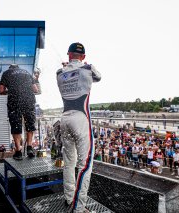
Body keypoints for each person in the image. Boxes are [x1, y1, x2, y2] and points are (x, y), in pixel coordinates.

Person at [56, 42, 101, 213]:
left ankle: (69, 198)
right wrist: (83, 65)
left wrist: (69, 67)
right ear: (83, 57)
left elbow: (68, 73)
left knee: (69, 163)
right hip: (81, 118)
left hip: (65, 119)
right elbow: (98, 77)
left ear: (68, 54)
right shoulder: (87, 69)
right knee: (85, 165)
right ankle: (79, 207)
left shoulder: (59, 73)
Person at [0, 64, 39, 160]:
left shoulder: (6, 73)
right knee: (30, 123)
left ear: (10, 68)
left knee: (15, 125)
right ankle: (29, 147)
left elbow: (1, 91)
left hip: (15, 101)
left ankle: (18, 151)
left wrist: (10, 91)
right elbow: (36, 90)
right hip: (29, 100)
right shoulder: (26, 72)